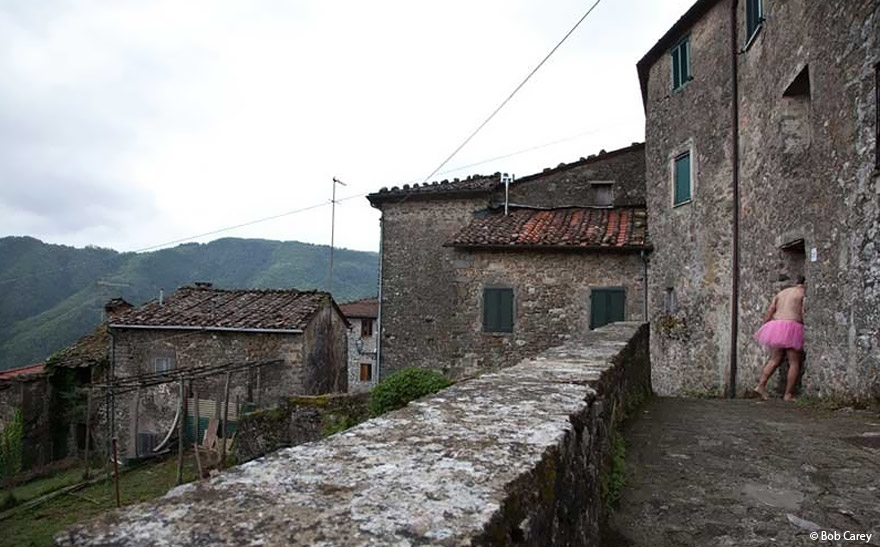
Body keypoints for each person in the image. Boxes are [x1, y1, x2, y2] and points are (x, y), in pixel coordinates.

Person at [753, 275, 806, 401]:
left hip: (776, 325)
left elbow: (771, 310)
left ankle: (760, 385)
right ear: (804, 283)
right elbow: (804, 312)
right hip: (792, 326)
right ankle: (788, 394)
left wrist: (765, 326)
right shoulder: (802, 293)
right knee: (794, 362)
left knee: (774, 359)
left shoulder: (782, 293)